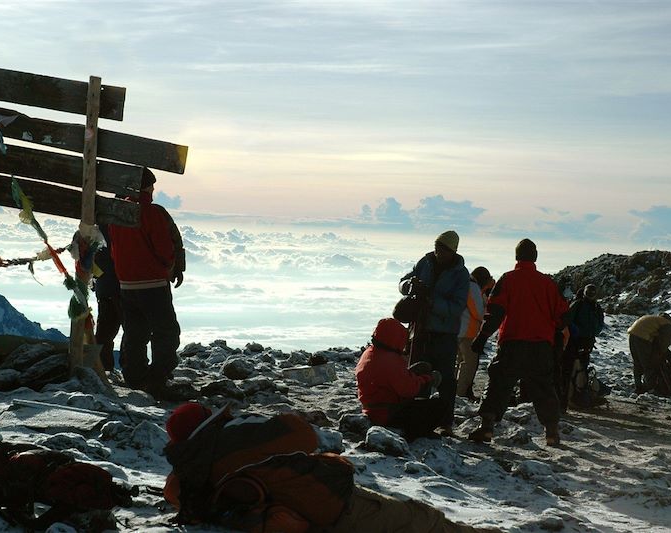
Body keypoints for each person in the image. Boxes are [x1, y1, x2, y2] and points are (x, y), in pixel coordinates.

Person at [163, 402, 497, 532]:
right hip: (332, 507)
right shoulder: (234, 438)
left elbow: (174, 492)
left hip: (295, 513)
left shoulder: (186, 473)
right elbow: (304, 436)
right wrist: (257, 421)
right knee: (424, 521)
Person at [468, 238, 570, 446]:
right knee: (544, 388)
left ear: (516, 256)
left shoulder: (508, 280)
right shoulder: (548, 284)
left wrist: (482, 337)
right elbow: (562, 317)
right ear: (535, 257)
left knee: (498, 384)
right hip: (541, 346)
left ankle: (486, 427)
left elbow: (494, 312)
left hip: (512, 343)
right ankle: (551, 433)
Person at [108, 167, 186, 398]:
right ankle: (158, 378)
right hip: (153, 283)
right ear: (146, 187)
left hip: (126, 283)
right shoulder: (153, 213)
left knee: (135, 332)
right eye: (151, 185)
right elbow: (165, 248)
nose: (153, 189)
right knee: (166, 331)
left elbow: (114, 251)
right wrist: (169, 268)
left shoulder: (117, 214)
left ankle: (135, 376)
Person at [399, 230, 470, 435]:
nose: (438, 251)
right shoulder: (425, 262)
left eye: (443, 249)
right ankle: (416, 417)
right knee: (417, 375)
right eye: (437, 246)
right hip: (420, 330)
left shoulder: (460, 274)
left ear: (452, 251)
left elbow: (457, 307)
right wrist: (409, 285)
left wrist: (431, 300)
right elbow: (403, 281)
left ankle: (445, 422)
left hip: (444, 334)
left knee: (445, 379)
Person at [356, 318, 444, 441]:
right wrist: (428, 379)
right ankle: (415, 432)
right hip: (386, 413)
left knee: (422, 368)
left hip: (373, 407)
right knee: (439, 406)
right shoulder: (389, 360)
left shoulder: (370, 352)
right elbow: (409, 389)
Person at [560, 283, 605, 409]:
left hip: (586, 341)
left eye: (593, 292)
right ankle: (568, 397)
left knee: (580, 368)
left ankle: (575, 395)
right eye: (589, 292)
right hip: (575, 341)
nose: (591, 294)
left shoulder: (596, 307)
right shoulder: (579, 304)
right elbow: (568, 320)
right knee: (570, 368)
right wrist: (576, 332)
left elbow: (600, 324)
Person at [456, 266, 495, 401]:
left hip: (460, 331)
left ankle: (459, 394)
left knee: (460, 364)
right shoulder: (472, 288)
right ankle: (460, 396)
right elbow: (479, 312)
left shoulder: (467, 285)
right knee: (469, 365)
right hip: (467, 332)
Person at [627, 313, 671, 396]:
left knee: (637, 362)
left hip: (632, 334)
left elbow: (657, 342)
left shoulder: (655, 321)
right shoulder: (668, 325)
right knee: (648, 364)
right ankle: (650, 388)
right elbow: (663, 346)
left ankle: (638, 386)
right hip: (643, 338)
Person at [93, 225, 120, 372]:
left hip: (104, 287)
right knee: (134, 332)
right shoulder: (125, 223)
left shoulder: (95, 229)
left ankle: (103, 367)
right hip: (125, 285)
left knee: (104, 331)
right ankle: (133, 371)